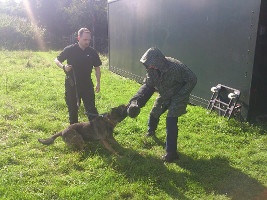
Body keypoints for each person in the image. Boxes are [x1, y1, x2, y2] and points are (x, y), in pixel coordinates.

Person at [127, 47, 197, 162]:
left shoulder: (176, 67)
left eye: (151, 64)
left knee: (171, 120)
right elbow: (148, 86)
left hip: (178, 95)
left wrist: (181, 94)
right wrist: (135, 102)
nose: (149, 67)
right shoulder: (151, 68)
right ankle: (151, 131)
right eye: (148, 65)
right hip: (164, 93)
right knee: (155, 111)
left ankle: (171, 153)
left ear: (159, 61)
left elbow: (192, 79)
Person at [54, 28, 102, 124]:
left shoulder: (92, 52)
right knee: (73, 109)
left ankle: (94, 131)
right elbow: (56, 60)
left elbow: (97, 68)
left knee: (91, 109)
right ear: (79, 38)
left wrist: (98, 83)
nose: (87, 42)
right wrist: (64, 67)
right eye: (85, 39)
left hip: (87, 84)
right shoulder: (70, 50)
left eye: (89, 40)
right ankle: (74, 132)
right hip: (72, 85)